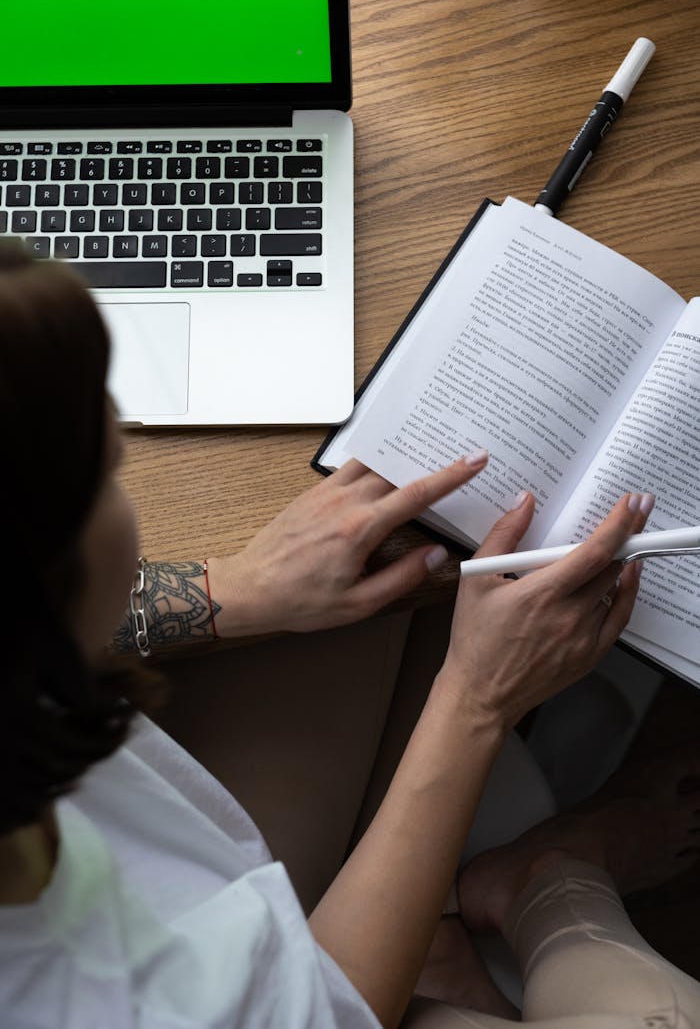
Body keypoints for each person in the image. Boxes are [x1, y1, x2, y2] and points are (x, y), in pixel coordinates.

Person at [0, 240, 699, 1029]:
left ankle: (437, 935)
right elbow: (326, 1012)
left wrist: (225, 589)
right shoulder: (76, 994)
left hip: (208, 897)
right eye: (111, 473)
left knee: (391, 557)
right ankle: (556, 881)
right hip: (301, 997)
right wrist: (475, 702)